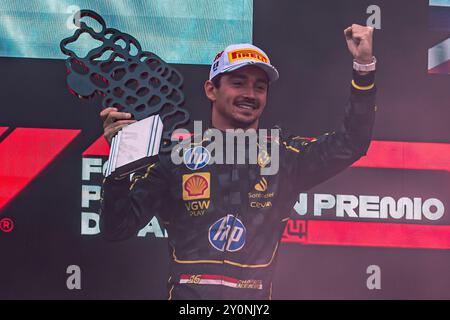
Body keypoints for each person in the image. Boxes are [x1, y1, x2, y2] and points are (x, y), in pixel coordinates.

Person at [99, 24, 377, 299]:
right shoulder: (176, 156)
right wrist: (120, 162)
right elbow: (117, 227)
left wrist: (364, 68)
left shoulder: (284, 156)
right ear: (211, 89)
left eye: (260, 87)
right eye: (238, 83)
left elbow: (352, 142)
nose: (250, 94)